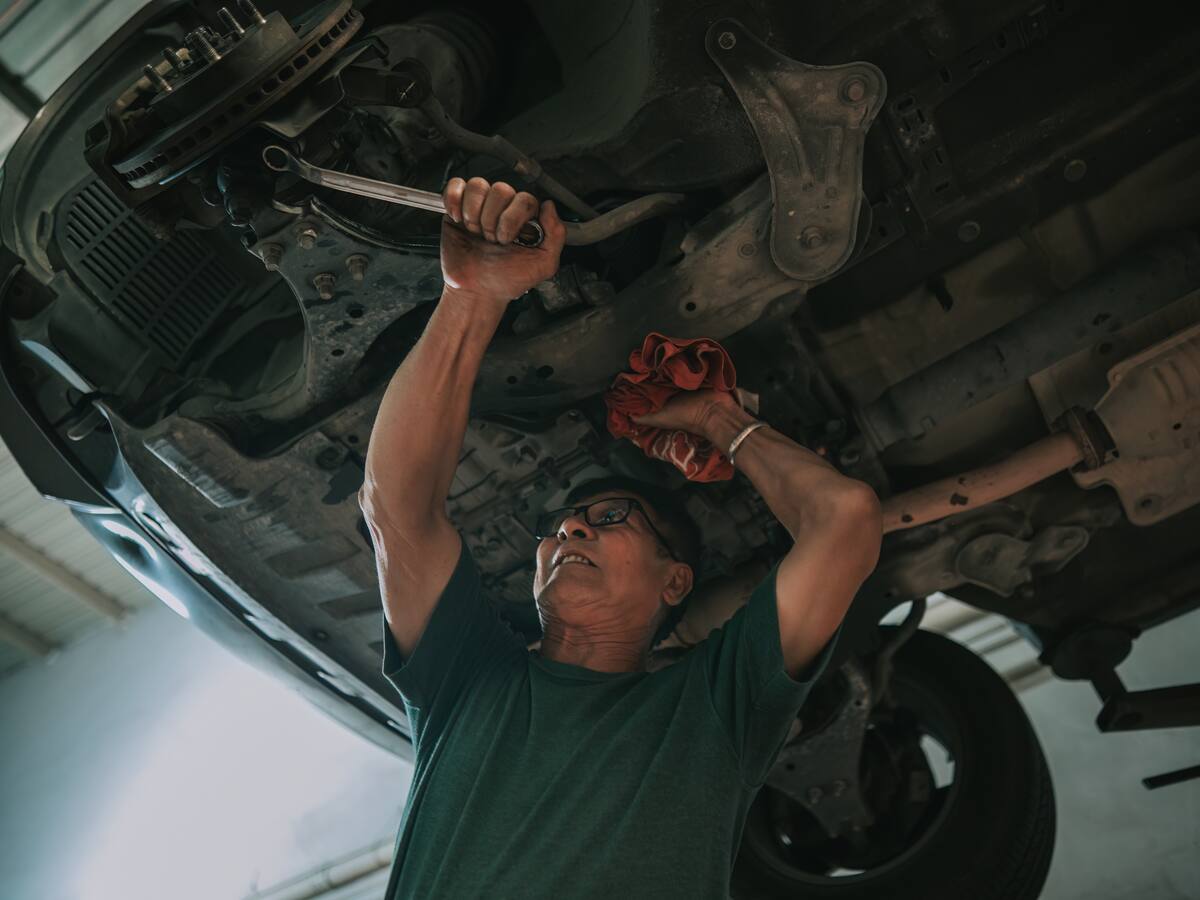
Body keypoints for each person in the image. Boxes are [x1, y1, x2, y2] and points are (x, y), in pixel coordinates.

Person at [358, 177, 883, 899]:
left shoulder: (712, 709)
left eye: (610, 520)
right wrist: (472, 296)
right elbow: (396, 506)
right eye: (563, 528)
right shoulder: (465, 683)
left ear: (676, 583)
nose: (569, 527)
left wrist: (721, 423)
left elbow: (845, 521)